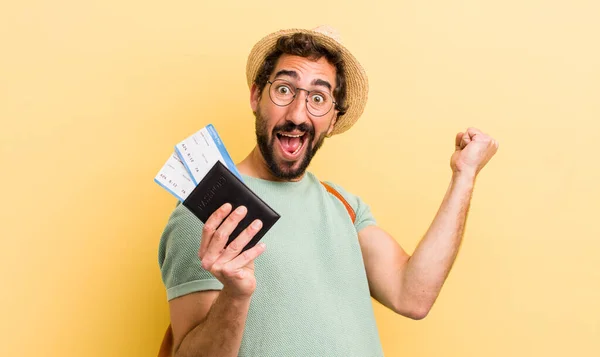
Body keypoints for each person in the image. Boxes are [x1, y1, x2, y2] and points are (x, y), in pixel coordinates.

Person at [158, 25, 499, 357]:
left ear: (333, 120)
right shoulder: (207, 213)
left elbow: (413, 296)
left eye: (318, 98)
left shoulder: (343, 205)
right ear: (255, 96)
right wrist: (235, 294)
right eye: (283, 90)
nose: (297, 114)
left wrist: (463, 175)